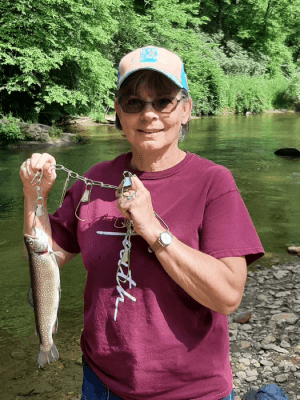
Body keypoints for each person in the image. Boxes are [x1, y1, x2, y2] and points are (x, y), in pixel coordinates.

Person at [20, 46, 264, 400]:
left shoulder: (213, 182)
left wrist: (153, 229)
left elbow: (227, 296)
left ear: (185, 110)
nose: (148, 114)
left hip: (192, 390)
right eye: (134, 102)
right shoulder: (95, 178)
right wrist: (34, 196)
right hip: (102, 384)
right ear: (119, 112)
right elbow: (45, 258)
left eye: (162, 101)